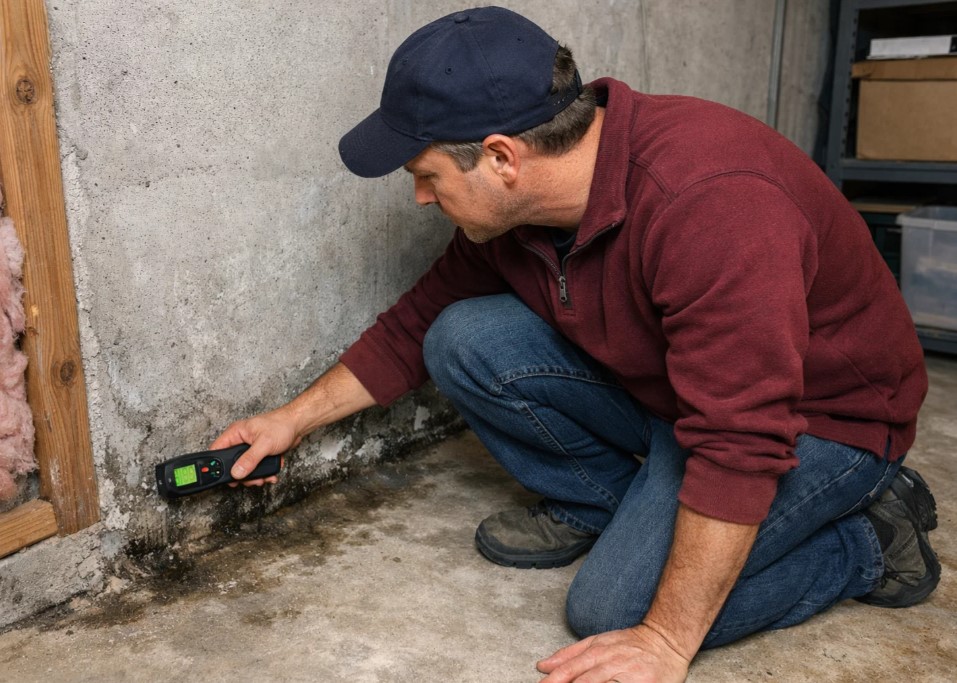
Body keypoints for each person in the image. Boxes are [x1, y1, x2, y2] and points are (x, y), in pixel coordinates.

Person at [212, 7, 939, 681]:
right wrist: (290, 421)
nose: (421, 199)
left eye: (426, 176)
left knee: (613, 611)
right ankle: (609, 509)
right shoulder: (521, 209)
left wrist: (662, 638)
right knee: (462, 336)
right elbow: (414, 322)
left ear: (501, 157)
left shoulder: (711, 205)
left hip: (822, 422)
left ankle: (871, 542)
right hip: (679, 396)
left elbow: (740, 440)